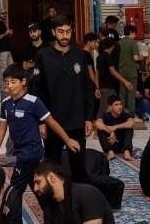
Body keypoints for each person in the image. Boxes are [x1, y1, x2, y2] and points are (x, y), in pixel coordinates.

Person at [0, 63, 80, 204]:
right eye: (7, 82)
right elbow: (2, 128)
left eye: (13, 82)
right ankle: (54, 210)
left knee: (13, 192)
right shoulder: (6, 103)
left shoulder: (33, 102)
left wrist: (67, 140)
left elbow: (51, 122)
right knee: (39, 187)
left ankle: (12, 214)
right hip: (20, 152)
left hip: (31, 152)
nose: (10, 86)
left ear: (23, 82)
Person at [35, 16, 94, 183]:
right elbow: (37, 90)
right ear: (53, 32)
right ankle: (53, 199)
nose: (65, 36)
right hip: (52, 121)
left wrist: (89, 117)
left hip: (77, 121)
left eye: (68, 31)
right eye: (60, 32)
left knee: (78, 168)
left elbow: (88, 87)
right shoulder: (43, 55)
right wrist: (41, 121)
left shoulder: (80, 55)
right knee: (52, 168)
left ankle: (79, 197)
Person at [32, 159, 114, 224]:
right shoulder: (50, 204)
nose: (35, 188)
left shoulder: (87, 194)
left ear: (51, 178)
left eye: (38, 182)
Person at [95, 94, 139, 162]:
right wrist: (110, 131)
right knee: (100, 129)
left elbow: (132, 123)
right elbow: (97, 124)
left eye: (120, 104)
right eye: (116, 105)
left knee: (129, 128)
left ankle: (126, 152)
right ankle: (110, 153)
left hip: (122, 146)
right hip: (110, 144)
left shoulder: (125, 115)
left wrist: (114, 127)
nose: (119, 107)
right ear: (110, 107)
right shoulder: (105, 115)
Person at [117, 25, 142, 113]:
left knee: (122, 96)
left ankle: (120, 114)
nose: (135, 35)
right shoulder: (133, 43)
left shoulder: (119, 43)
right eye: (134, 33)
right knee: (131, 96)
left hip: (121, 73)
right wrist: (141, 57)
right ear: (131, 32)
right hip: (131, 73)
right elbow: (135, 58)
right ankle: (131, 115)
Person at [95, 38, 121, 118]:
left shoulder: (99, 57)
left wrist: (97, 87)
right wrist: (125, 81)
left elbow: (97, 73)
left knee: (103, 107)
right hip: (109, 86)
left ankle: (100, 122)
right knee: (108, 108)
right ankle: (100, 123)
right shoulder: (108, 56)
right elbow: (113, 71)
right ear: (112, 47)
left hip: (102, 86)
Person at [0, 11, 14, 78]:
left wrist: (9, 34)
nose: (4, 15)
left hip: (8, 50)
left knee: (11, 69)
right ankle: (2, 85)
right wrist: (6, 33)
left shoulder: (5, 24)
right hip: (1, 51)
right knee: (3, 71)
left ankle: (10, 84)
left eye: (5, 13)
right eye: (2, 13)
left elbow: (6, 37)